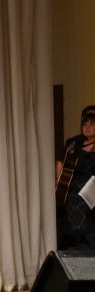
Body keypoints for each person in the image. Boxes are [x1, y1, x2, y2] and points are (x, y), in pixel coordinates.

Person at [56, 105, 95, 250]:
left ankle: (87, 243)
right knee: (72, 196)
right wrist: (60, 182)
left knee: (79, 198)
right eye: (84, 124)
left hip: (92, 187)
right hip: (74, 186)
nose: (87, 127)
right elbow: (61, 161)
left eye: (92, 124)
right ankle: (76, 244)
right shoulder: (74, 143)